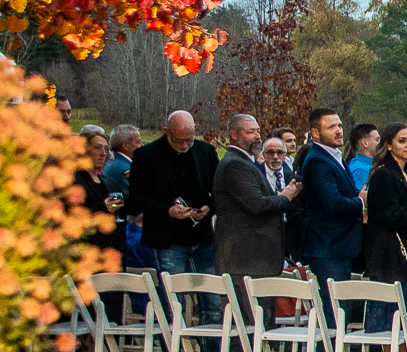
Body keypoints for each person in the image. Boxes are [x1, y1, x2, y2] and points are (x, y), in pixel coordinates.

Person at [213, 114, 300, 330]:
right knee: (250, 325)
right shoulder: (235, 165)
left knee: (259, 323)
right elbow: (257, 205)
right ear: (234, 135)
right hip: (245, 258)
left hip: (254, 260)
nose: (257, 136)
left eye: (258, 131)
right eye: (250, 132)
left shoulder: (245, 162)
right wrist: (285, 197)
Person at [125, 110, 220, 299]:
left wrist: (209, 208)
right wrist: (167, 210)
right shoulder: (147, 156)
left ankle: (212, 327)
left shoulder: (205, 152)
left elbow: (219, 191)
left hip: (201, 234)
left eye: (189, 140)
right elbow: (137, 198)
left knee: (212, 297)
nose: (185, 145)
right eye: (179, 141)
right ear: (166, 131)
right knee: (173, 298)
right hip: (167, 238)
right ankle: (172, 328)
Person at [362, 124, 407, 352]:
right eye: (402, 141)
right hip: (389, 252)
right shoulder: (382, 175)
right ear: (389, 145)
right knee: (390, 312)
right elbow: (387, 217)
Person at [299, 109, 366, 334]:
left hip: (341, 245)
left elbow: (345, 192)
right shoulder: (318, 161)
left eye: (339, 125)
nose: (338, 131)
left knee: (341, 310)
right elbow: (333, 203)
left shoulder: (333, 156)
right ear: (315, 133)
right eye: (331, 127)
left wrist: (358, 196)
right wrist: (361, 203)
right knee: (334, 313)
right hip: (327, 247)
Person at [102, 124, 139, 198]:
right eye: (138, 142)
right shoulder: (124, 169)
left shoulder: (110, 161)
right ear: (125, 145)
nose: (142, 145)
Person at [346, 123, 380, 192]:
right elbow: (364, 199)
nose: (380, 143)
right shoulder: (361, 170)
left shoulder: (357, 164)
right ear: (365, 142)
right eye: (377, 139)